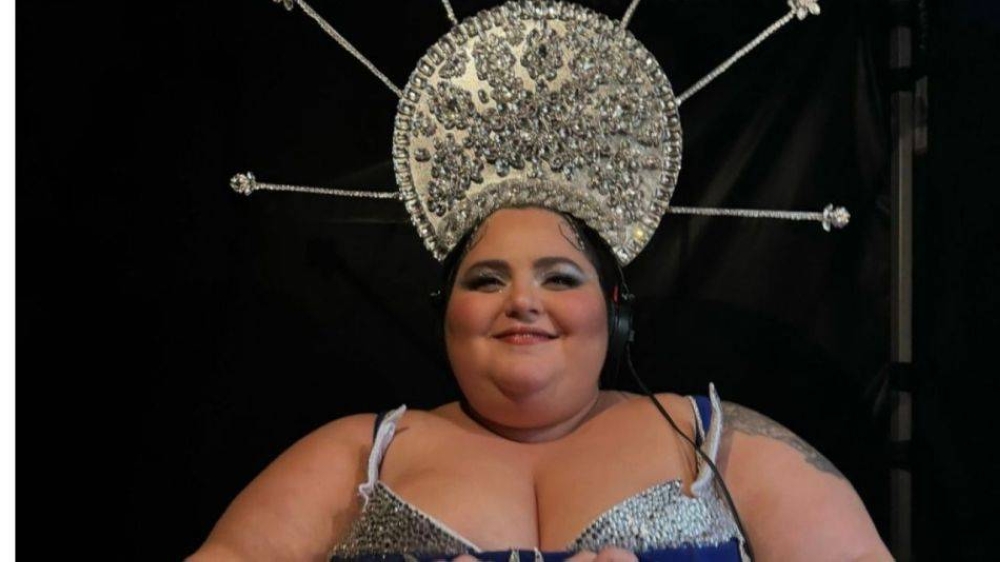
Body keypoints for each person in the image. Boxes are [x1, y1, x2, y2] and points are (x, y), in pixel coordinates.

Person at [188, 206, 891, 562]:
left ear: (615, 315)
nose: (522, 302)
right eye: (485, 281)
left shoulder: (725, 443)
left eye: (559, 278)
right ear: (445, 315)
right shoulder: (355, 454)